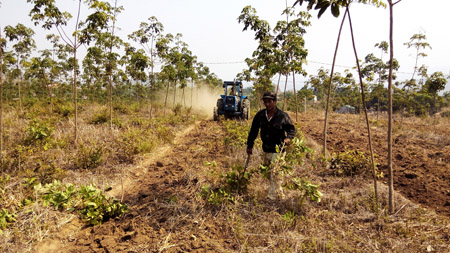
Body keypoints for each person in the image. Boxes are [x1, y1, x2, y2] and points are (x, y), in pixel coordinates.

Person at [246, 91, 296, 200]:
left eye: (269, 102)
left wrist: (288, 138)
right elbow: (253, 131)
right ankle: (280, 194)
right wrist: (250, 145)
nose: (267, 104)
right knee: (268, 173)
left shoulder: (282, 116)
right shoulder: (260, 115)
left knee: (275, 173)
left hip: (278, 149)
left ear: (275, 102)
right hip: (266, 148)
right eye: (265, 102)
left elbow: (291, 130)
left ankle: (271, 197)